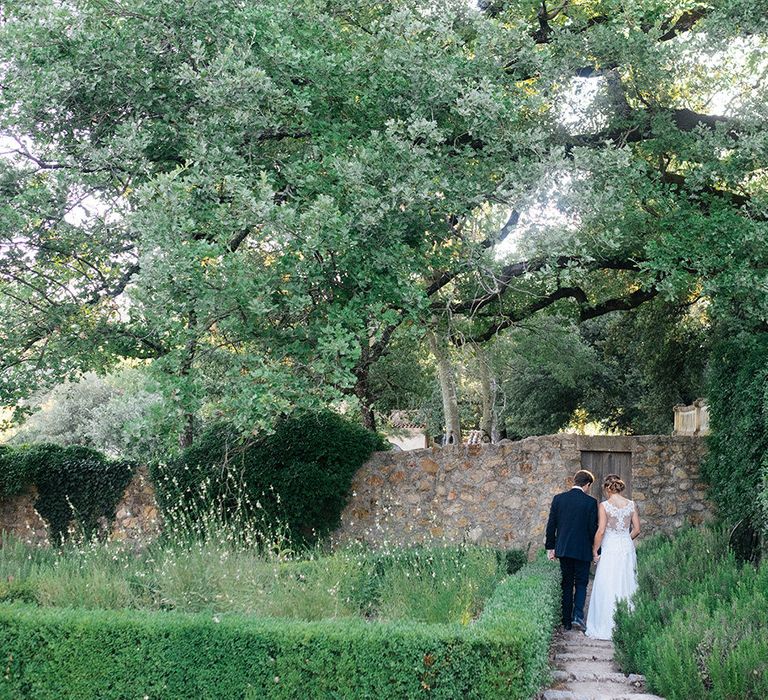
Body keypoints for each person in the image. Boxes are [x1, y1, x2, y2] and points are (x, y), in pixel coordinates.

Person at [585, 474, 640, 640]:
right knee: (627, 582)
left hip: (610, 548)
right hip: (626, 547)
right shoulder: (631, 504)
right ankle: (628, 624)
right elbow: (637, 529)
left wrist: (595, 551)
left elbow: (601, 531)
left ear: (607, 489)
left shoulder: (604, 505)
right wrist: (625, 539)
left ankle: (606, 625)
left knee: (607, 583)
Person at [545, 469, 598, 631]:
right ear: (587, 484)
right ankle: (577, 617)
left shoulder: (559, 499)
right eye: (589, 486)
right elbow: (592, 529)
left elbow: (551, 525)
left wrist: (550, 547)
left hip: (564, 549)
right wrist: (596, 550)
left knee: (567, 583)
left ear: (575, 481)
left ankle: (566, 621)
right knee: (581, 583)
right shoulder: (590, 502)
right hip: (582, 551)